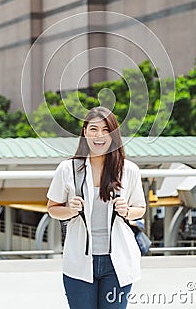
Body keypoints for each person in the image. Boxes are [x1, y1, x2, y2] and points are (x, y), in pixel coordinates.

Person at [47, 106, 146, 309]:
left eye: (105, 129)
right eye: (93, 129)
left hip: (117, 263)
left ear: (114, 134)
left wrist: (127, 210)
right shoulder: (68, 169)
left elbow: (141, 208)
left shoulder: (128, 170)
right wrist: (70, 210)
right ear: (84, 132)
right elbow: (52, 208)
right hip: (79, 261)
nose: (99, 135)